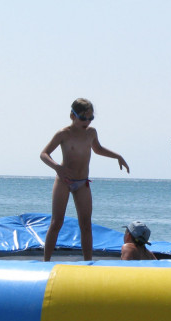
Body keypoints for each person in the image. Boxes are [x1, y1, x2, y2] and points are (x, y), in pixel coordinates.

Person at [40, 98, 129, 261]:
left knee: (86, 224)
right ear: (72, 116)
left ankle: (88, 262)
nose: (87, 122)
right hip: (64, 182)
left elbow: (98, 149)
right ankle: (45, 262)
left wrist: (117, 156)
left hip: (82, 182)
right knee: (56, 222)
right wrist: (57, 168)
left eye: (90, 118)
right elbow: (44, 154)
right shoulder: (63, 134)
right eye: (83, 118)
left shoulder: (91, 133)